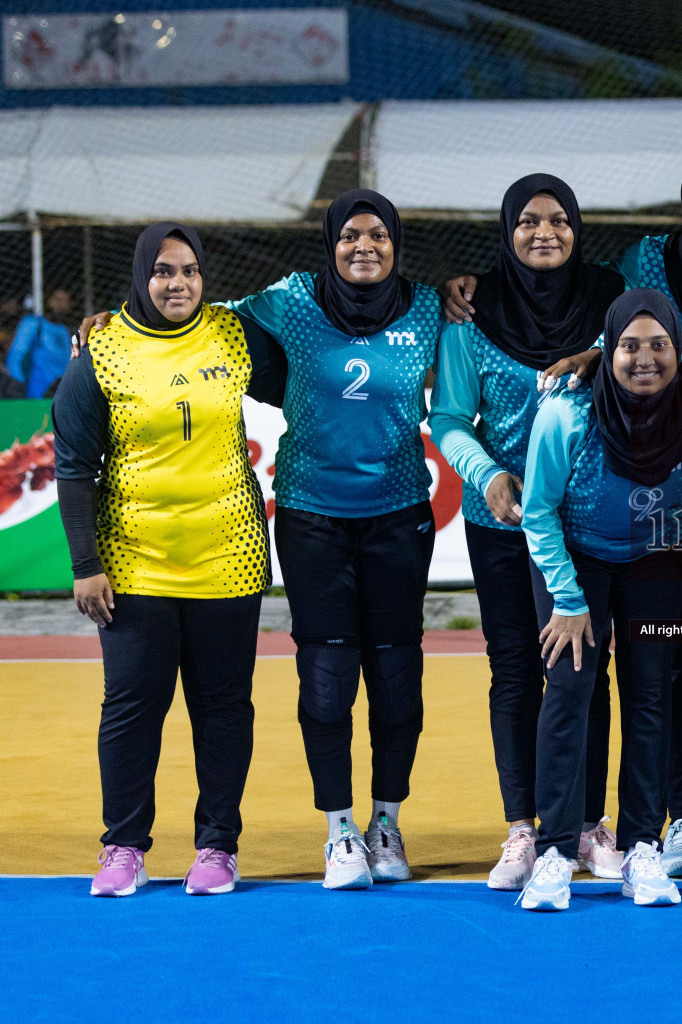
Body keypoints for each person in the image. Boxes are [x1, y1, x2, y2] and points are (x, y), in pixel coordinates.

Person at [51, 223, 286, 897]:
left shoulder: (234, 334)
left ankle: (218, 846)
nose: (177, 283)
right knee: (131, 707)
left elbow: (304, 371)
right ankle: (123, 845)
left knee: (222, 707)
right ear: (139, 276)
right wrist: (84, 562)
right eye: (162, 271)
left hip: (229, 558)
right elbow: (73, 466)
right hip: (133, 562)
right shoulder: (100, 351)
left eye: (188, 271)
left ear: (204, 276)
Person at [229, 190, 442, 890]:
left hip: (399, 513)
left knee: (397, 682)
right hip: (313, 516)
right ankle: (340, 832)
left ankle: (387, 822)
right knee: (325, 685)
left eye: (379, 235)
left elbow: (502, 327)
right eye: (351, 235)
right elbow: (201, 322)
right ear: (330, 241)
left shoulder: (430, 306)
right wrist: (117, 323)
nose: (364, 247)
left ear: (396, 242)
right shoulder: (290, 300)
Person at [429, 174, 628, 891]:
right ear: (506, 231)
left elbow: (653, 346)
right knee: (516, 668)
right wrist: (487, 476)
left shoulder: (609, 300)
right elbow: (449, 420)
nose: (544, 233)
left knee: (584, 668)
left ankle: (587, 824)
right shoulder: (470, 317)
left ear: (578, 228)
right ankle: (523, 825)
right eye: (528, 222)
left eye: (559, 220)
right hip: (500, 521)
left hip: (588, 517)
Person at [517, 289, 682, 911]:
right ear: (606, 352)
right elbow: (538, 510)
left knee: (651, 695)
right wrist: (567, 599)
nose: (645, 358)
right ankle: (556, 850)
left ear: (679, 350)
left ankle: (643, 845)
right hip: (576, 560)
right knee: (568, 691)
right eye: (627, 346)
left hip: (654, 560)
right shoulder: (568, 414)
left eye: (659, 345)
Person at [8, 288, 74, 398]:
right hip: (35, 395)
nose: (61, 304)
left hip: (60, 397)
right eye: (57, 299)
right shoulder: (33, 324)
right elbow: (15, 357)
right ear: (47, 300)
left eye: (66, 301)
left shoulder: (64, 331)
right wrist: (20, 388)